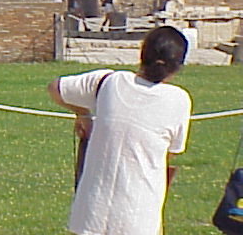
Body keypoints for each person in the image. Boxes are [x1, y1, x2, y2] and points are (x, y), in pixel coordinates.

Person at [48, 25, 191, 235]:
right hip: (139, 216)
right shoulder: (178, 100)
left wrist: (82, 113)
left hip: (91, 212)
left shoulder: (108, 81)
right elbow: (169, 155)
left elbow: (56, 88)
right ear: (177, 65)